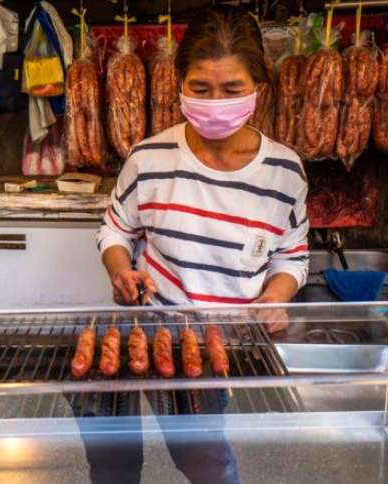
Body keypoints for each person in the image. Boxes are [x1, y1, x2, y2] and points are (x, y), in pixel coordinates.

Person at [76, 5, 310, 483]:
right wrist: (120, 270)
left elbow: (292, 253)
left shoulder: (285, 171)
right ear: (179, 83)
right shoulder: (149, 157)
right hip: (148, 325)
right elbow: (115, 231)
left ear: (257, 90)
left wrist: (276, 297)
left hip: (226, 343)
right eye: (200, 89)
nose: (215, 102)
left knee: (206, 461)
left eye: (232, 90)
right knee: (113, 462)